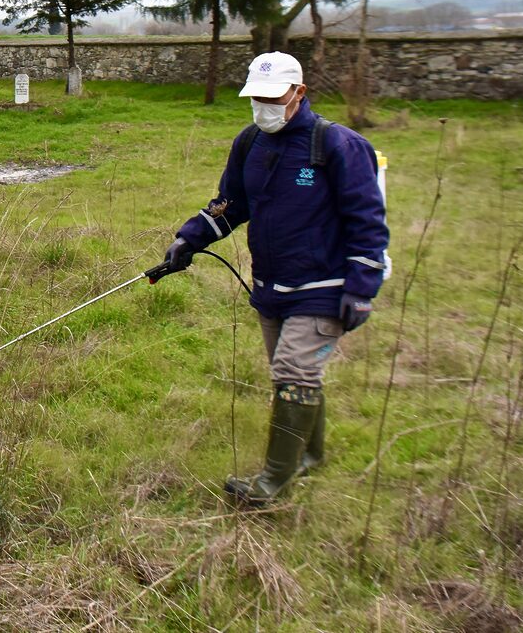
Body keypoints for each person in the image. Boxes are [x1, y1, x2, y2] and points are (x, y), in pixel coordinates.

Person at [159, 51, 389, 507]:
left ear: (298, 94)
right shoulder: (251, 143)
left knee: (294, 371)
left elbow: (368, 221)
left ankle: (272, 482)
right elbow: (231, 205)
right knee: (290, 376)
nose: (262, 105)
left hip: (326, 285)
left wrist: (362, 289)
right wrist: (190, 240)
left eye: (272, 96)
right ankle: (309, 453)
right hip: (271, 284)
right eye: (255, 97)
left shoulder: (338, 146)